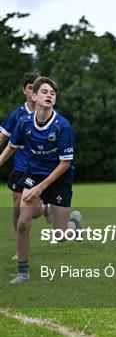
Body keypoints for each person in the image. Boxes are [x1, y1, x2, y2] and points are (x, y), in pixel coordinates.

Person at [0, 77, 83, 284]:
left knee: (61, 236)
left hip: (59, 178)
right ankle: (23, 272)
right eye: (44, 92)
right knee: (23, 222)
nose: (49, 95)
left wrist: (40, 188)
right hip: (33, 175)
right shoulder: (24, 122)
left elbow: (64, 164)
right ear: (34, 96)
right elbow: (12, 145)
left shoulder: (62, 126)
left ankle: (74, 224)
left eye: (52, 93)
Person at [0, 72, 52, 261]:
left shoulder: (48, 113)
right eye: (30, 87)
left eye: (36, 88)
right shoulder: (17, 114)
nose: (33, 91)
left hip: (38, 169)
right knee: (16, 209)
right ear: (25, 91)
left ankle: (44, 208)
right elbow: (3, 137)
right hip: (19, 167)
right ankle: (19, 248)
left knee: (28, 210)